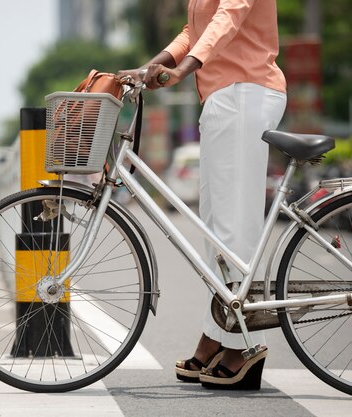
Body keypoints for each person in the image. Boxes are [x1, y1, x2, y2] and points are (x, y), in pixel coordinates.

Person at [118, 0, 287, 390]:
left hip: (245, 92)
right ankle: (218, 334)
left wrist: (183, 69)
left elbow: (228, 17)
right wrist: (154, 65)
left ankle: (245, 345)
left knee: (232, 229)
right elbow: (194, 30)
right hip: (224, 97)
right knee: (214, 230)